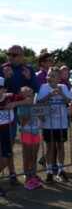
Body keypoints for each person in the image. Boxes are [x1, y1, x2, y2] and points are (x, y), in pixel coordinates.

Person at [0, 45, 39, 184]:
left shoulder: (28, 69)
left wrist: (29, 78)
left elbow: (36, 89)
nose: (10, 56)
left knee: (29, 142)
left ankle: (30, 172)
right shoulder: (2, 68)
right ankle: (12, 172)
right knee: (9, 142)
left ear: (22, 55)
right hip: (7, 111)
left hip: (24, 109)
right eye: (8, 53)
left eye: (14, 55)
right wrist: (4, 77)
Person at [35, 67, 72, 183]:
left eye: (52, 76)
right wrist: (49, 96)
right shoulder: (43, 88)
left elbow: (69, 102)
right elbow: (38, 102)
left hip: (61, 123)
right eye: (48, 75)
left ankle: (61, 170)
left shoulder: (64, 87)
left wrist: (61, 94)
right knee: (49, 147)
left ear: (59, 78)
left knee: (60, 146)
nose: (49, 78)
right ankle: (49, 171)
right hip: (48, 124)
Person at [0, 78, 33, 185]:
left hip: (6, 132)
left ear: (4, 89)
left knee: (5, 159)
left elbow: (29, 100)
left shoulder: (10, 97)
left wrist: (14, 104)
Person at [18, 87, 43, 189]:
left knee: (34, 156)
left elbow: (43, 119)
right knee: (27, 157)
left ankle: (33, 177)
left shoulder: (36, 105)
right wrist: (31, 113)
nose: (29, 97)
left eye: (31, 95)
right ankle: (27, 178)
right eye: (26, 96)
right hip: (26, 133)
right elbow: (22, 122)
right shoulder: (22, 107)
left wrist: (39, 111)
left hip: (36, 133)